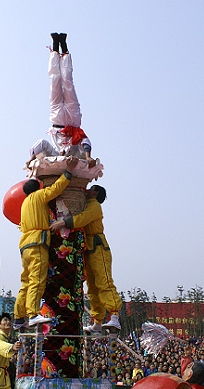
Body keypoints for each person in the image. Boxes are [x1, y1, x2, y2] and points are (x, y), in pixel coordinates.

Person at [13, 155, 79, 329]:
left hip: (25, 245)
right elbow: (56, 189)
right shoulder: (38, 197)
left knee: (26, 281)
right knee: (36, 279)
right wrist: (68, 172)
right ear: (38, 188)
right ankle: (33, 314)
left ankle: (19, 318)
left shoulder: (25, 204)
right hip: (37, 243)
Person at [50, 184, 122, 332]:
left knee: (104, 281)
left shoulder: (94, 205)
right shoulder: (87, 204)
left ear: (96, 193)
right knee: (93, 287)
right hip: (88, 248)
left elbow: (83, 218)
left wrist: (64, 222)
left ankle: (114, 316)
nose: (88, 190)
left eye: (92, 189)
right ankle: (98, 321)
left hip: (98, 247)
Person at [28, 33, 95, 166]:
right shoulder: (76, 152)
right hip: (72, 120)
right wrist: (88, 157)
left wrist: (31, 160)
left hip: (57, 119)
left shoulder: (53, 153)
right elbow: (86, 141)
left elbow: (41, 144)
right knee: (67, 83)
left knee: (54, 81)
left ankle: (55, 48)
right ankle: (64, 49)